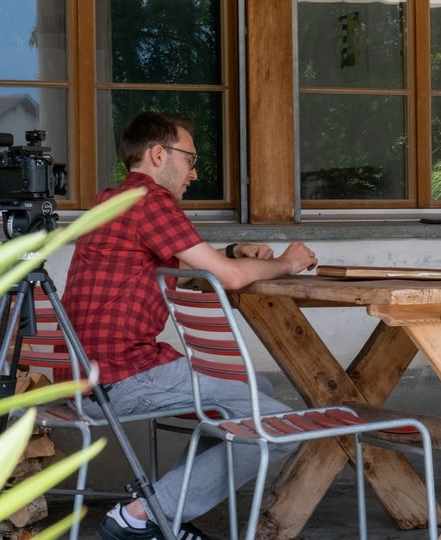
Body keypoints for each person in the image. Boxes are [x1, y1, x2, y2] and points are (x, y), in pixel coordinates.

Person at [62, 111, 318, 540]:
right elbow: (230, 278)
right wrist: (288, 263)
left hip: (83, 377)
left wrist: (233, 249)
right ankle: (143, 516)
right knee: (278, 425)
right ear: (159, 154)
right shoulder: (150, 201)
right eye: (190, 159)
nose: (195, 173)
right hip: (123, 376)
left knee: (260, 393)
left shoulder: (113, 199)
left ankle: (166, 514)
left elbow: (187, 259)